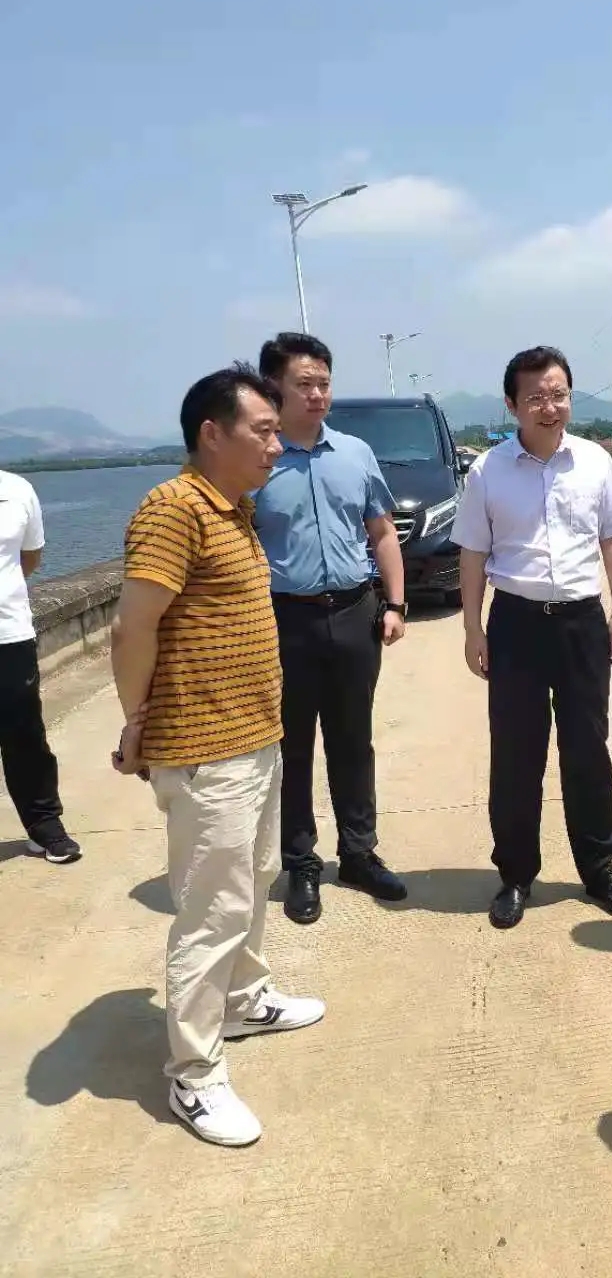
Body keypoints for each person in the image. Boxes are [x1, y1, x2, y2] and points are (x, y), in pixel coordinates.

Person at [110, 364, 325, 1148]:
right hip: (205, 751)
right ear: (212, 433)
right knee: (212, 912)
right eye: (262, 431)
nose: (276, 444)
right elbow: (133, 627)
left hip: (253, 739)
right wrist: (135, 722)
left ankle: (243, 1002)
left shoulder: (233, 508)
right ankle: (194, 1074)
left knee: (253, 882)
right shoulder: (174, 508)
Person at [451, 344, 612, 931]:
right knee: (516, 755)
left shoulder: (595, 462)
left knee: (589, 751)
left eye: (558, 394)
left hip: (582, 622)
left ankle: (600, 869)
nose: (549, 406)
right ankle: (515, 874)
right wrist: (473, 628)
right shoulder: (488, 471)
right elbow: (473, 554)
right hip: (515, 623)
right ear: (512, 404)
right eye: (536, 396)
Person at [254, 331, 407, 926]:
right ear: (274, 388)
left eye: (324, 383)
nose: (318, 394)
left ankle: (359, 854)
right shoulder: (256, 462)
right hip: (283, 620)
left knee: (352, 739)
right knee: (291, 746)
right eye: (304, 384)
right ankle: (300, 863)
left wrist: (395, 604)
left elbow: (382, 532)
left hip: (353, 613)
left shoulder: (355, 453)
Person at [0, 468, 81, 863]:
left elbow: (29, 558)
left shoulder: (17, 490)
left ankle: (44, 826)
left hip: (8, 633)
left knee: (25, 735)